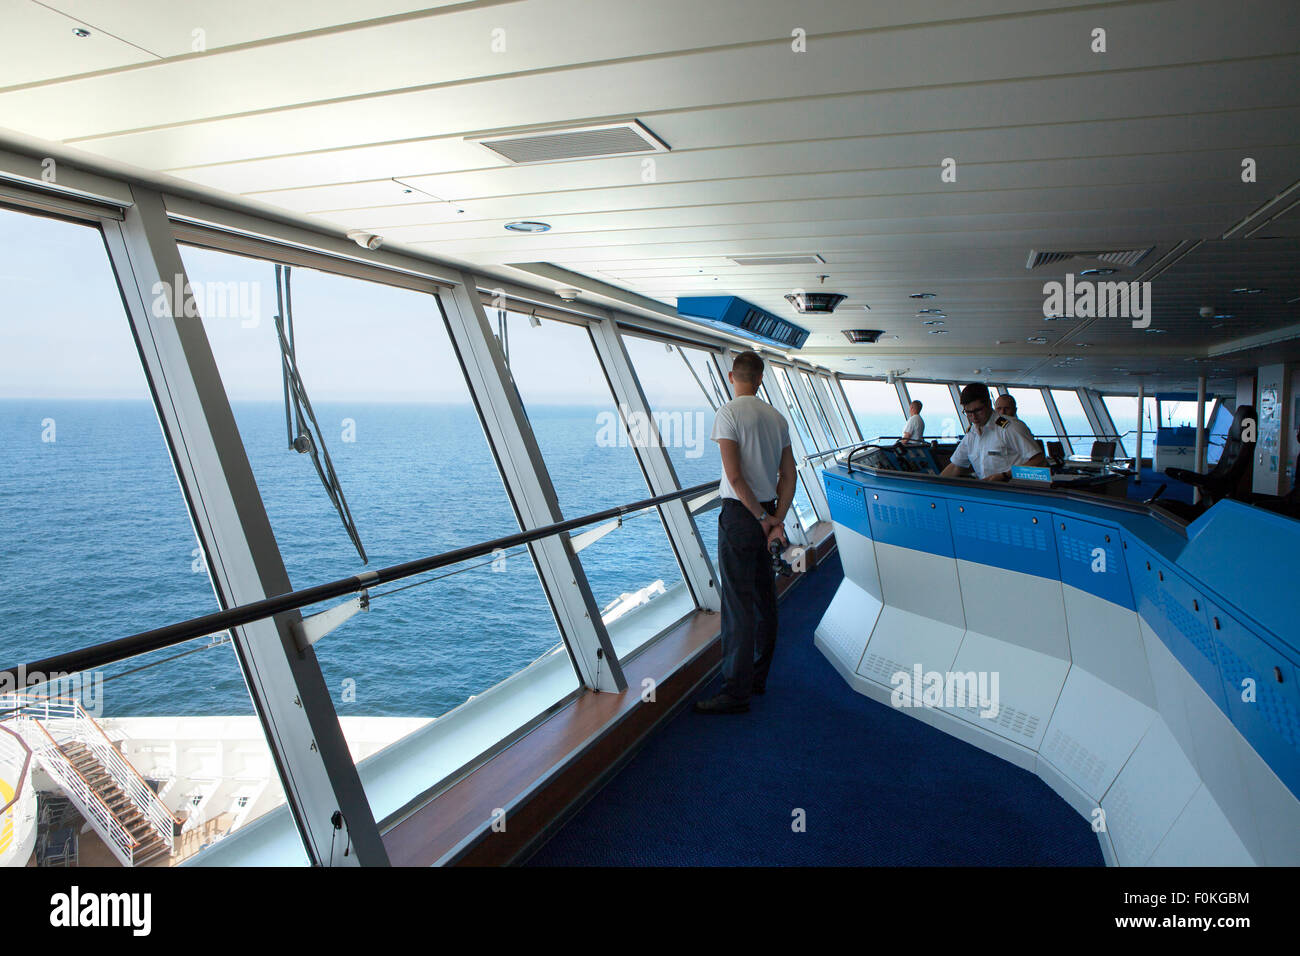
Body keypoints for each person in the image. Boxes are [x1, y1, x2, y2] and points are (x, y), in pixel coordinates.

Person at [695, 351, 797, 715]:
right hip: (768, 511)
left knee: (737, 605)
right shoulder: (776, 417)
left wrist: (757, 518)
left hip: (742, 517)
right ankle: (756, 678)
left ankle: (735, 693)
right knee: (764, 600)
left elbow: (734, 477)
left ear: (730, 376)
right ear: (760, 379)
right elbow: (789, 474)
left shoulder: (728, 413)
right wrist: (776, 519)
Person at [941, 383, 1047, 481]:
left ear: (989, 404)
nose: (973, 417)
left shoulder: (1009, 427)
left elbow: (1039, 461)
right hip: (990, 493)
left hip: (1016, 491)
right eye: (968, 412)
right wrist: (935, 484)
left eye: (978, 410)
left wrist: (1005, 475)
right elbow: (956, 466)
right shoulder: (972, 434)